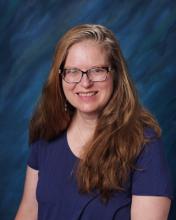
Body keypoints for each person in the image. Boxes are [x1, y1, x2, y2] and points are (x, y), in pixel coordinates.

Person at [15, 24, 173, 220]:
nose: (85, 83)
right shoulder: (47, 134)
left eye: (97, 70)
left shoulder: (143, 144)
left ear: (115, 74)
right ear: (60, 77)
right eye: (73, 71)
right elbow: (28, 212)